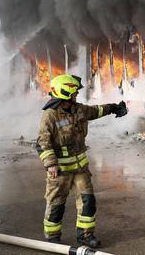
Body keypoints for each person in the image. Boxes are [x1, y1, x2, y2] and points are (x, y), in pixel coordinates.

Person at [36, 74, 128, 247]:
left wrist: (114, 108)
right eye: (74, 92)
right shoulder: (50, 116)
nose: (76, 95)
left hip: (80, 169)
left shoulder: (78, 109)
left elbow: (95, 111)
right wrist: (51, 164)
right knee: (57, 204)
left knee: (87, 201)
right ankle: (52, 236)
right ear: (65, 93)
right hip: (60, 171)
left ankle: (85, 236)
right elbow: (43, 142)